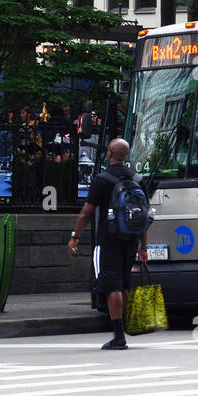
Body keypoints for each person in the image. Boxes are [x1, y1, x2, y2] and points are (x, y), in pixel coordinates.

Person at [69, 138, 148, 350]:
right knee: (122, 284)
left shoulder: (102, 179)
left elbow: (86, 212)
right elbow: (144, 217)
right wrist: (143, 247)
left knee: (112, 285)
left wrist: (75, 236)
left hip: (109, 238)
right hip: (131, 238)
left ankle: (119, 336)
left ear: (109, 153)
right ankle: (123, 330)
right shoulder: (138, 179)